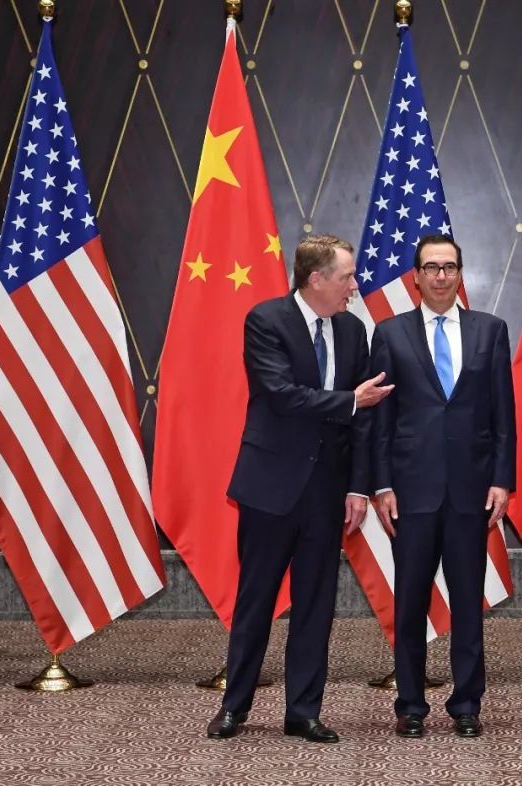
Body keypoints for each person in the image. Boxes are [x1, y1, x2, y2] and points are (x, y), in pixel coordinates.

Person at [207, 234, 393, 741]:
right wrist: (350, 400)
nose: (354, 287)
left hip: (327, 491)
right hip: (270, 486)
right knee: (256, 601)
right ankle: (235, 707)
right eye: (347, 277)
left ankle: (304, 711)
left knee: (316, 605)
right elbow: (282, 395)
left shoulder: (354, 330)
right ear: (316, 280)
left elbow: (361, 424)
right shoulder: (266, 320)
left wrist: (358, 488)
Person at [370, 234, 516, 739]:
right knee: (410, 603)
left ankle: (467, 703)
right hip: (410, 493)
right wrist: (381, 485)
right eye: (431, 267)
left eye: (449, 267)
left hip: (471, 492)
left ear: (460, 274)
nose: (440, 276)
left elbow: (503, 414)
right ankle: (410, 704)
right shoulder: (389, 333)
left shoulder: (490, 331)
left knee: (468, 602)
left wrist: (502, 479)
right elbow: (380, 422)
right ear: (415, 276)